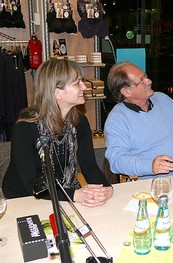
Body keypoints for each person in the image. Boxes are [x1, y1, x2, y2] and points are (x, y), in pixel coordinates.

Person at [2, 59, 113, 207]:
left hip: (65, 195)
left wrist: (107, 189)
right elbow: (32, 184)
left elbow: (89, 166)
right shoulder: (26, 127)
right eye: (77, 83)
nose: (84, 87)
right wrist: (75, 194)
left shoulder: (80, 122)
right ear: (56, 92)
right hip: (24, 199)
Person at [104, 62, 173, 179]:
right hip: (152, 183)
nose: (149, 81)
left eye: (146, 76)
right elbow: (116, 160)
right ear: (126, 91)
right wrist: (150, 166)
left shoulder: (162, 99)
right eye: (142, 81)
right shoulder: (117, 119)